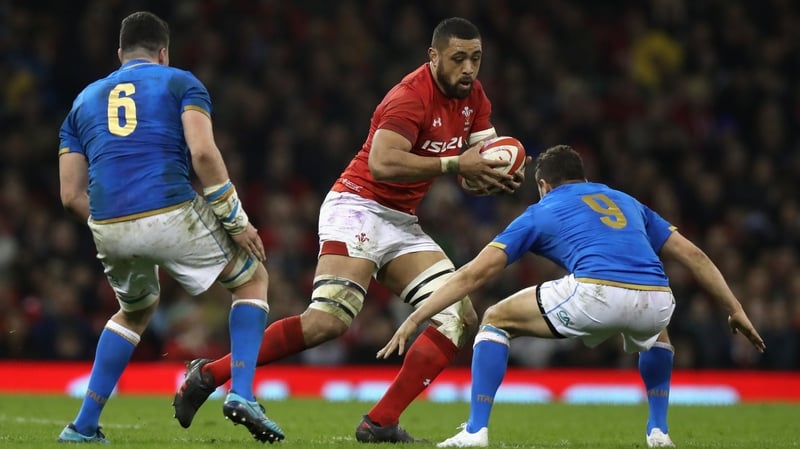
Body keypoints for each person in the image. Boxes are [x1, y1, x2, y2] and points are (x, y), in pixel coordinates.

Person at [173, 17, 524, 442]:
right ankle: (208, 376)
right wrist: (454, 165)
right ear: (433, 57)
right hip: (356, 206)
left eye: (476, 58)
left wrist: (495, 175)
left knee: (458, 317)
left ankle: (380, 422)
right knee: (328, 321)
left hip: (400, 220)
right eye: (458, 58)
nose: (468, 68)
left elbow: (476, 161)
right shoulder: (410, 96)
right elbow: (383, 163)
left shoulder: (475, 96)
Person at [378, 145, 766, 448]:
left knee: (496, 319)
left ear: (544, 185)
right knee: (656, 333)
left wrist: (416, 317)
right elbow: (695, 256)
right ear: (583, 178)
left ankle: (476, 430)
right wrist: (735, 308)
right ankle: (659, 431)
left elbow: (473, 274)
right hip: (657, 297)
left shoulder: (542, 210)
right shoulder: (626, 201)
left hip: (596, 294)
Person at [56, 11, 284, 444]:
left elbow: (70, 195)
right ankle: (242, 393)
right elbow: (203, 154)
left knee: (135, 311)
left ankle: (83, 425)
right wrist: (237, 222)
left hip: (107, 221)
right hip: (169, 205)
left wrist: (114, 225)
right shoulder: (181, 82)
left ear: (120, 54)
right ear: (163, 52)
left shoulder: (83, 101)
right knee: (252, 279)